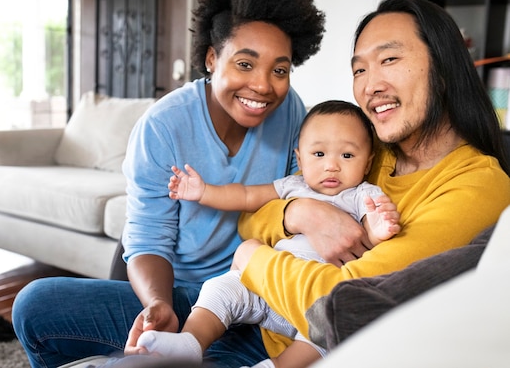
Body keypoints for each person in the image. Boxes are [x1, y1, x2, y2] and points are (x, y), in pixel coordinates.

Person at [11, 0, 326, 368]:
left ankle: (196, 355)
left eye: (279, 70)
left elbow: (293, 201)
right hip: (183, 295)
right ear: (212, 58)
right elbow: (146, 239)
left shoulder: (293, 115)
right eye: (245, 64)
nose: (264, 85)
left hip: (257, 297)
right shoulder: (163, 126)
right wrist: (159, 305)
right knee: (36, 304)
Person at [228, 0, 510, 365]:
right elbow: (253, 216)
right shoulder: (368, 149)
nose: (369, 85)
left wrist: (250, 257)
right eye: (359, 70)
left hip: (297, 349)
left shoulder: (476, 185)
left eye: (389, 59)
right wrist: (302, 214)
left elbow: (339, 306)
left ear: (443, 69)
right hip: (249, 313)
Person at [134, 100, 401, 368]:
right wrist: (204, 192)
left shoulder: (363, 194)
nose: (331, 166)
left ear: (368, 163)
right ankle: (190, 342)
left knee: (329, 332)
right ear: (300, 158)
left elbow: (370, 236)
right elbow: (247, 196)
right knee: (221, 288)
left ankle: (276, 365)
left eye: (347, 156)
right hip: (265, 289)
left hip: (310, 305)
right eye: (319, 154)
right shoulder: (293, 185)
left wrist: (380, 228)